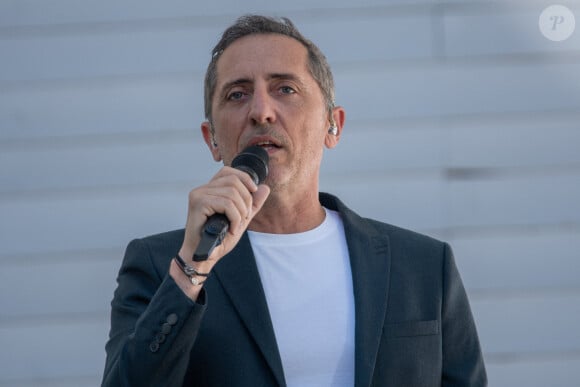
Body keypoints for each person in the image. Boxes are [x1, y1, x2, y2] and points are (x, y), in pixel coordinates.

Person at [102, 14, 487, 387]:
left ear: (333, 125)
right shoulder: (162, 266)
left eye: (285, 88)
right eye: (237, 94)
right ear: (212, 140)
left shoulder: (422, 266)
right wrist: (190, 271)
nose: (261, 111)